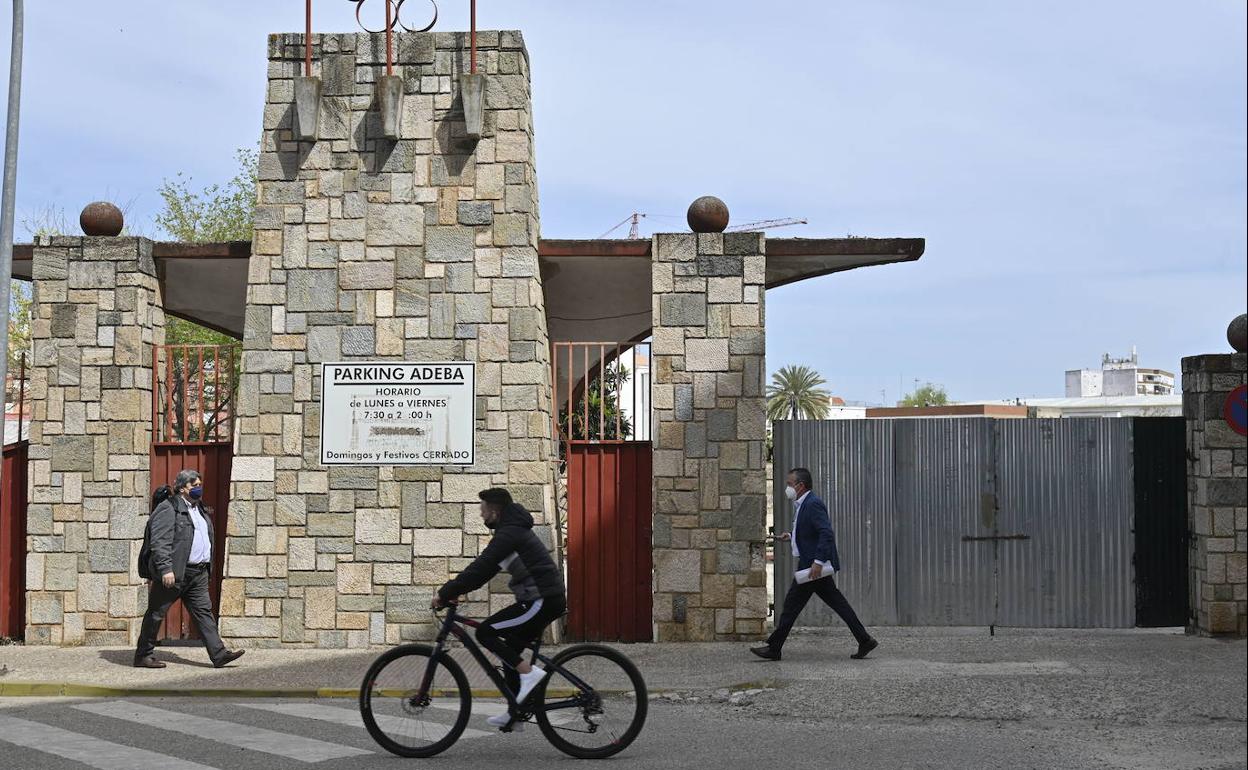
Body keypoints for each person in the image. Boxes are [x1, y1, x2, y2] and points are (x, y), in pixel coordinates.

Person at [432, 487, 566, 729]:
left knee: (485, 632)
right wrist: (457, 590)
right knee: (509, 649)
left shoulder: (509, 534)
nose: (481, 515)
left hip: (540, 599)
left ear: (494, 510)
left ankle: (529, 674)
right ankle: (517, 709)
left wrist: (445, 593)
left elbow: (481, 567)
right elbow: (485, 573)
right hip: (541, 598)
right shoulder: (509, 532)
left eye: (483, 510)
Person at [751, 467, 878, 662]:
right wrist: (792, 537)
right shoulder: (803, 503)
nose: (787, 488)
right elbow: (810, 534)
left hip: (811, 568)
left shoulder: (812, 504)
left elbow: (826, 533)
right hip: (812, 566)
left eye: (789, 484)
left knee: (791, 606)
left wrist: (818, 562)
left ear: (800, 486)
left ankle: (774, 648)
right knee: (837, 604)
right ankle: (865, 639)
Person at [133, 469, 245, 669]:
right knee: (156, 613)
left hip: (197, 574)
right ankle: (143, 655)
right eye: (194, 485)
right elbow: (160, 541)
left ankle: (219, 655)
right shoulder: (168, 508)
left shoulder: (198, 508)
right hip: (175, 573)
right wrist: (165, 569)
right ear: (182, 488)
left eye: (200, 485)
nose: (198, 489)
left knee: (204, 614)